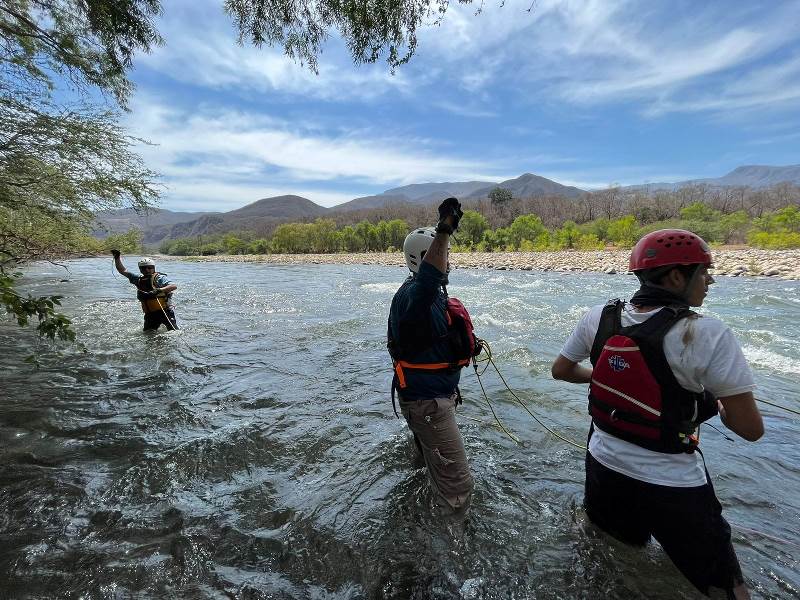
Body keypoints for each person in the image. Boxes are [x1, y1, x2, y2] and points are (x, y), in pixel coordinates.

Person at [550, 229, 764, 599]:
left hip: (603, 465)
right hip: (673, 485)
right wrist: (720, 402)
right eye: (704, 271)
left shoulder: (598, 317)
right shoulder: (708, 333)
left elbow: (562, 370)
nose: (710, 279)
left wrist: (608, 381)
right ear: (677, 277)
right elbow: (750, 429)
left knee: (616, 557)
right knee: (728, 590)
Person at [387, 197, 481, 515]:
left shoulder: (425, 298)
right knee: (458, 486)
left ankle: (417, 516)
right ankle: (452, 550)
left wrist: (467, 346)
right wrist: (444, 231)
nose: (449, 260)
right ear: (424, 258)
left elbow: (430, 337)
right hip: (427, 403)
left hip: (427, 397)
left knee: (428, 467)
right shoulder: (416, 294)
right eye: (444, 255)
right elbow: (429, 281)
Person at [112, 250, 179, 331]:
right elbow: (122, 270)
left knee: (174, 332)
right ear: (140, 269)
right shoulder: (137, 279)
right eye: (143, 268)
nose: (147, 270)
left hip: (165, 312)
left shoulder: (160, 278)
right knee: (148, 335)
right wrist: (117, 257)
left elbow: (173, 286)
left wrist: (158, 290)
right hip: (150, 314)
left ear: (153, 268)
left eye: (149, 268)